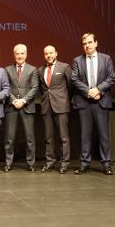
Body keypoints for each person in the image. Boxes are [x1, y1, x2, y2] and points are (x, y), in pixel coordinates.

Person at [71, 33, 115, 175]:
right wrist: (89, 91)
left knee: (103, 135)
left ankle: (106, 164)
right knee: (85, 135)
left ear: (96, 43)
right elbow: (74, 79)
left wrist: (98, 90)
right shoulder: (78, 60)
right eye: (84, 44)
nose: (87, 46)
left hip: (101, 101)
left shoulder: (106, 58)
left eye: (90, 42)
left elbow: (111, 77)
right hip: (84, 102)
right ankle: (85, 163)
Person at [4, 44, 39, 172]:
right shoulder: (7, 69)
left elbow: (35, 88)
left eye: (22, 53)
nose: (19, 56)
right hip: (11, 107)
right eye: (17, 54)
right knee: (10, 137)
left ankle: (31, 163)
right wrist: (14, 101)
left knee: (30, 138)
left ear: (26, 54)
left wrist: (23, 100)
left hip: (27, 106)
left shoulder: (32, 69)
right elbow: (6, 88)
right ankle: (8, 163)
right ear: (14, 55)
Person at [38, 45, 72, 173]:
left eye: (51, 53)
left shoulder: (64, 67)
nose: (49, 55)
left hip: (61, 105)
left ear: (56, 53)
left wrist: (64, 99)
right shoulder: (40, 70)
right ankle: (50, 162)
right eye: (46, 53)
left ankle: (64, 163)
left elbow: (71, 86)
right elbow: (43, 89)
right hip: (47, 106)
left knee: (63, 136)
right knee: (48, 137)